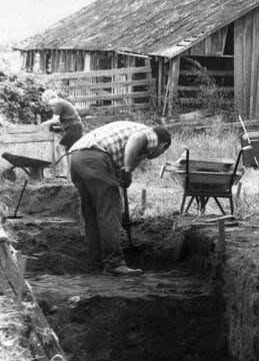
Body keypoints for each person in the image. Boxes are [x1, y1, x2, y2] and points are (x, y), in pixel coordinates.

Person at [68, 121, 171, 275]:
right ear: (162, 146)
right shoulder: (151, 134)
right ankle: (114, 264)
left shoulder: (126, 132)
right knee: (110, 209)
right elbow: (136, 139)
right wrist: (128, 170)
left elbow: (116, 163)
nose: (154, 156)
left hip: (76, 157)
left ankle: (97, 262)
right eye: (160, 153)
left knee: (92, 213)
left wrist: (122, 175)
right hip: (95, 157)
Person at [41, 90, 84, 175]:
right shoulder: (62, 102)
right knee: (69, 150)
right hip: (76, 127)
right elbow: (65, 119)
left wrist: (43, 124)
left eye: (46, 102)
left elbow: (54, 120)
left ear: (49, 98)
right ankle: (70, 173)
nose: (48, 105)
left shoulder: (58, 104)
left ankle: (64, 173)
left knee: (60, 148)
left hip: (74, 127)